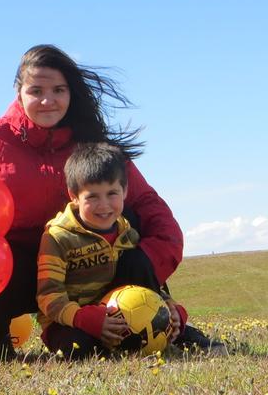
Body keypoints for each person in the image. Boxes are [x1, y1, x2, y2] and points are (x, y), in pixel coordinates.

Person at [0, 44, 211, 361]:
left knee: (122, 211)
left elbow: (148, 205)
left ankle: (166, 326)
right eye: (37, 90)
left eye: (59, 90)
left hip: (87, 269)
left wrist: (148, 260)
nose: (48, 101)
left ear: (71, 93)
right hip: (14, 272)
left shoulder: (93, 145)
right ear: (19, 92)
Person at [36, 142, 186, 359]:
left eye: (112, 193)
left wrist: (170, 307)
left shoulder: (128, 234)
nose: (104, 205)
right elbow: (48, 297)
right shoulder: (57, 238)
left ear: (125, 191)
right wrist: (84, 319)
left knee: (154, 333)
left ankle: (184, 332)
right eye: (92, 196)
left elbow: (145, 288)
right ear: (74, 196)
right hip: (68, 321)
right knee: (81, 350)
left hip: (115, 317)